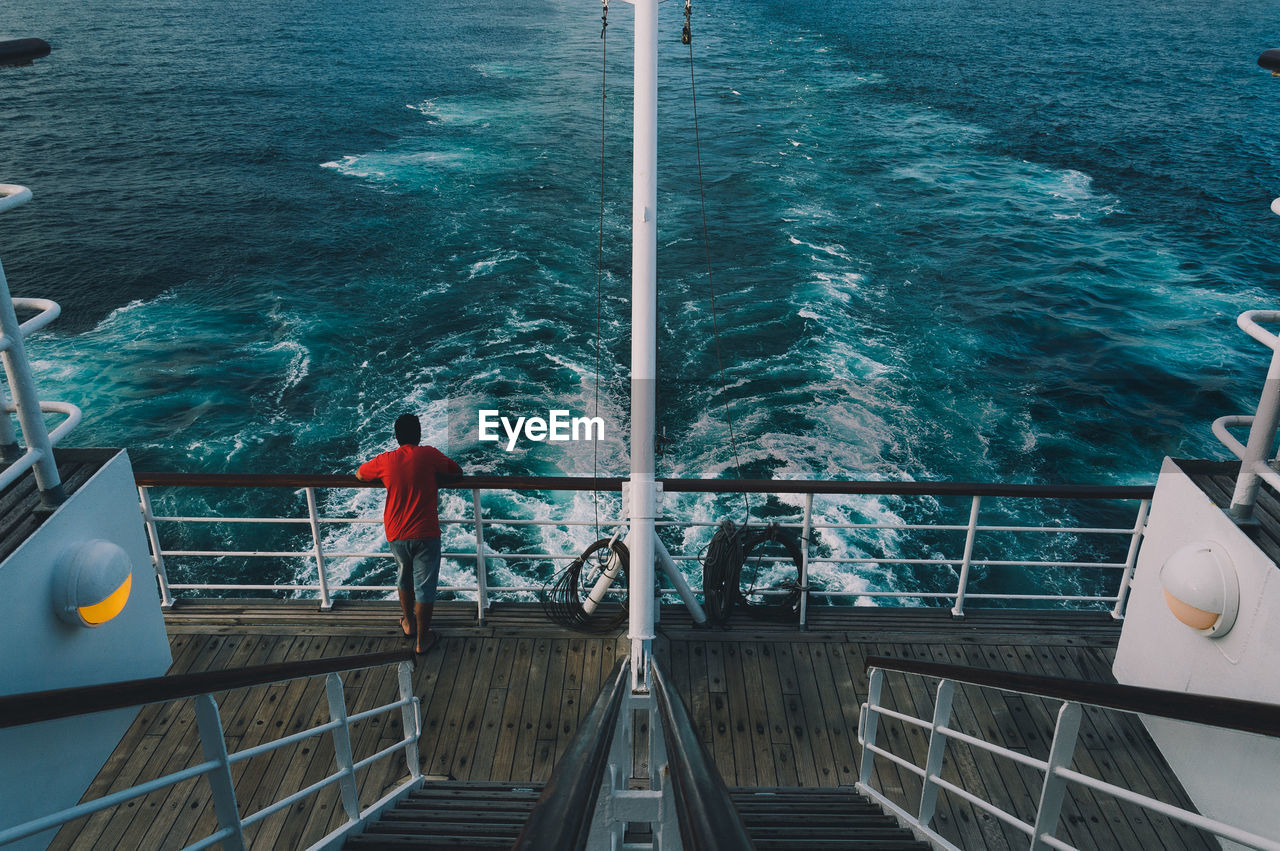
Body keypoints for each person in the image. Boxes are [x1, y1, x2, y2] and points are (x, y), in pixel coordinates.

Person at [356, 413, 462, 654]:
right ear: (419, 434)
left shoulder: (386, 460)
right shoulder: (428, 454)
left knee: (404, 577)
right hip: (425, 532)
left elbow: (361, 474)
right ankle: (422, 640)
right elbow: (456, 471)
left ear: (396, 437)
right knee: (424, 586)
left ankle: (408, 623)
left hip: (397, 532)